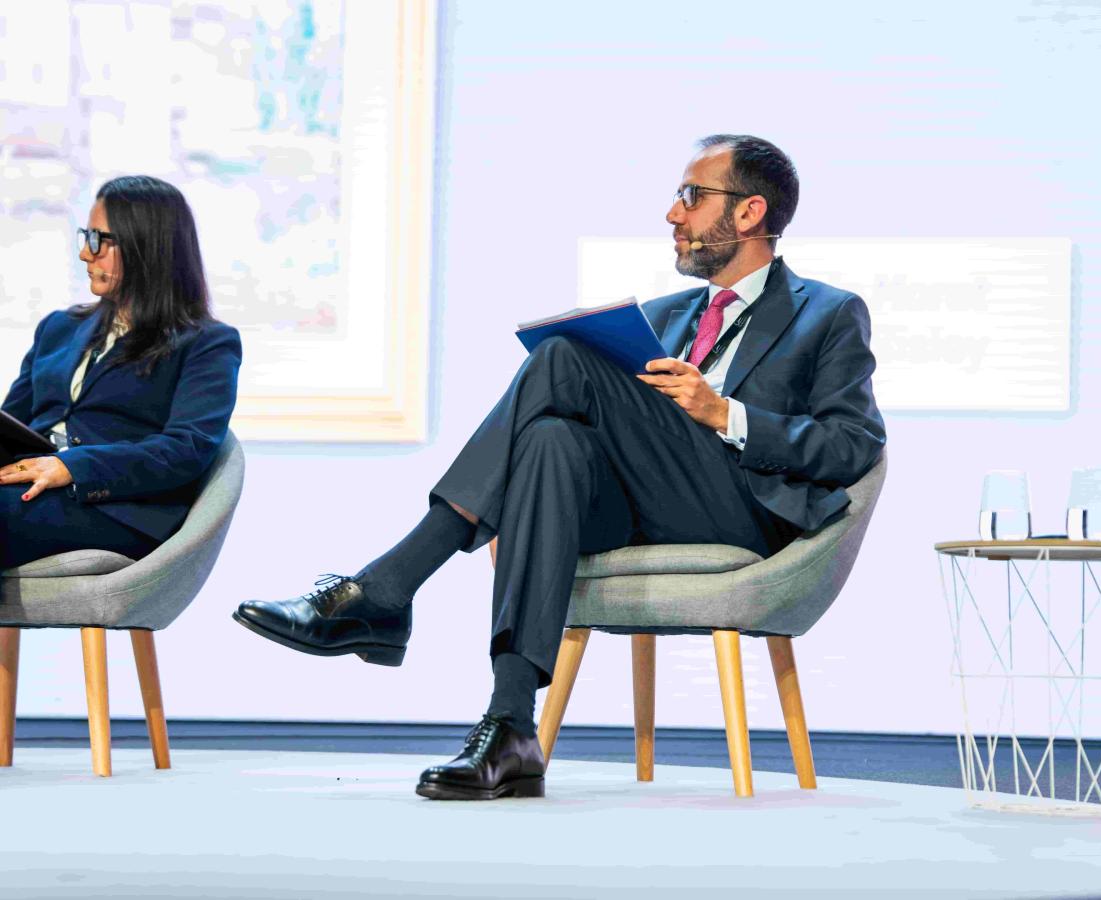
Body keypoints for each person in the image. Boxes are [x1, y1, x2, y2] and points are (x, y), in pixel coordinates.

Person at [234, 134, 885, 801]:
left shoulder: (827, 312)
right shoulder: (665, 315)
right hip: (643, 505)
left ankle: (385, 589)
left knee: (563, 356)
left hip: (742, 510)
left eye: (692, 196)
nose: (673, 214)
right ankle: (511, 726)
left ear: (749, 212)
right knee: (551, 442)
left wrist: (725, 413)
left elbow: (853, 444)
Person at [0, 176, 241, 570]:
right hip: (30, 483)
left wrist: (73, 466)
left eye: (98, 240)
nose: (85, 253)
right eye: (86, 237)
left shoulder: (207, 343)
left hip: (115, 508)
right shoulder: (58, 327)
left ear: (146, 246)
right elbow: (12, 423)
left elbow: (186, 450)